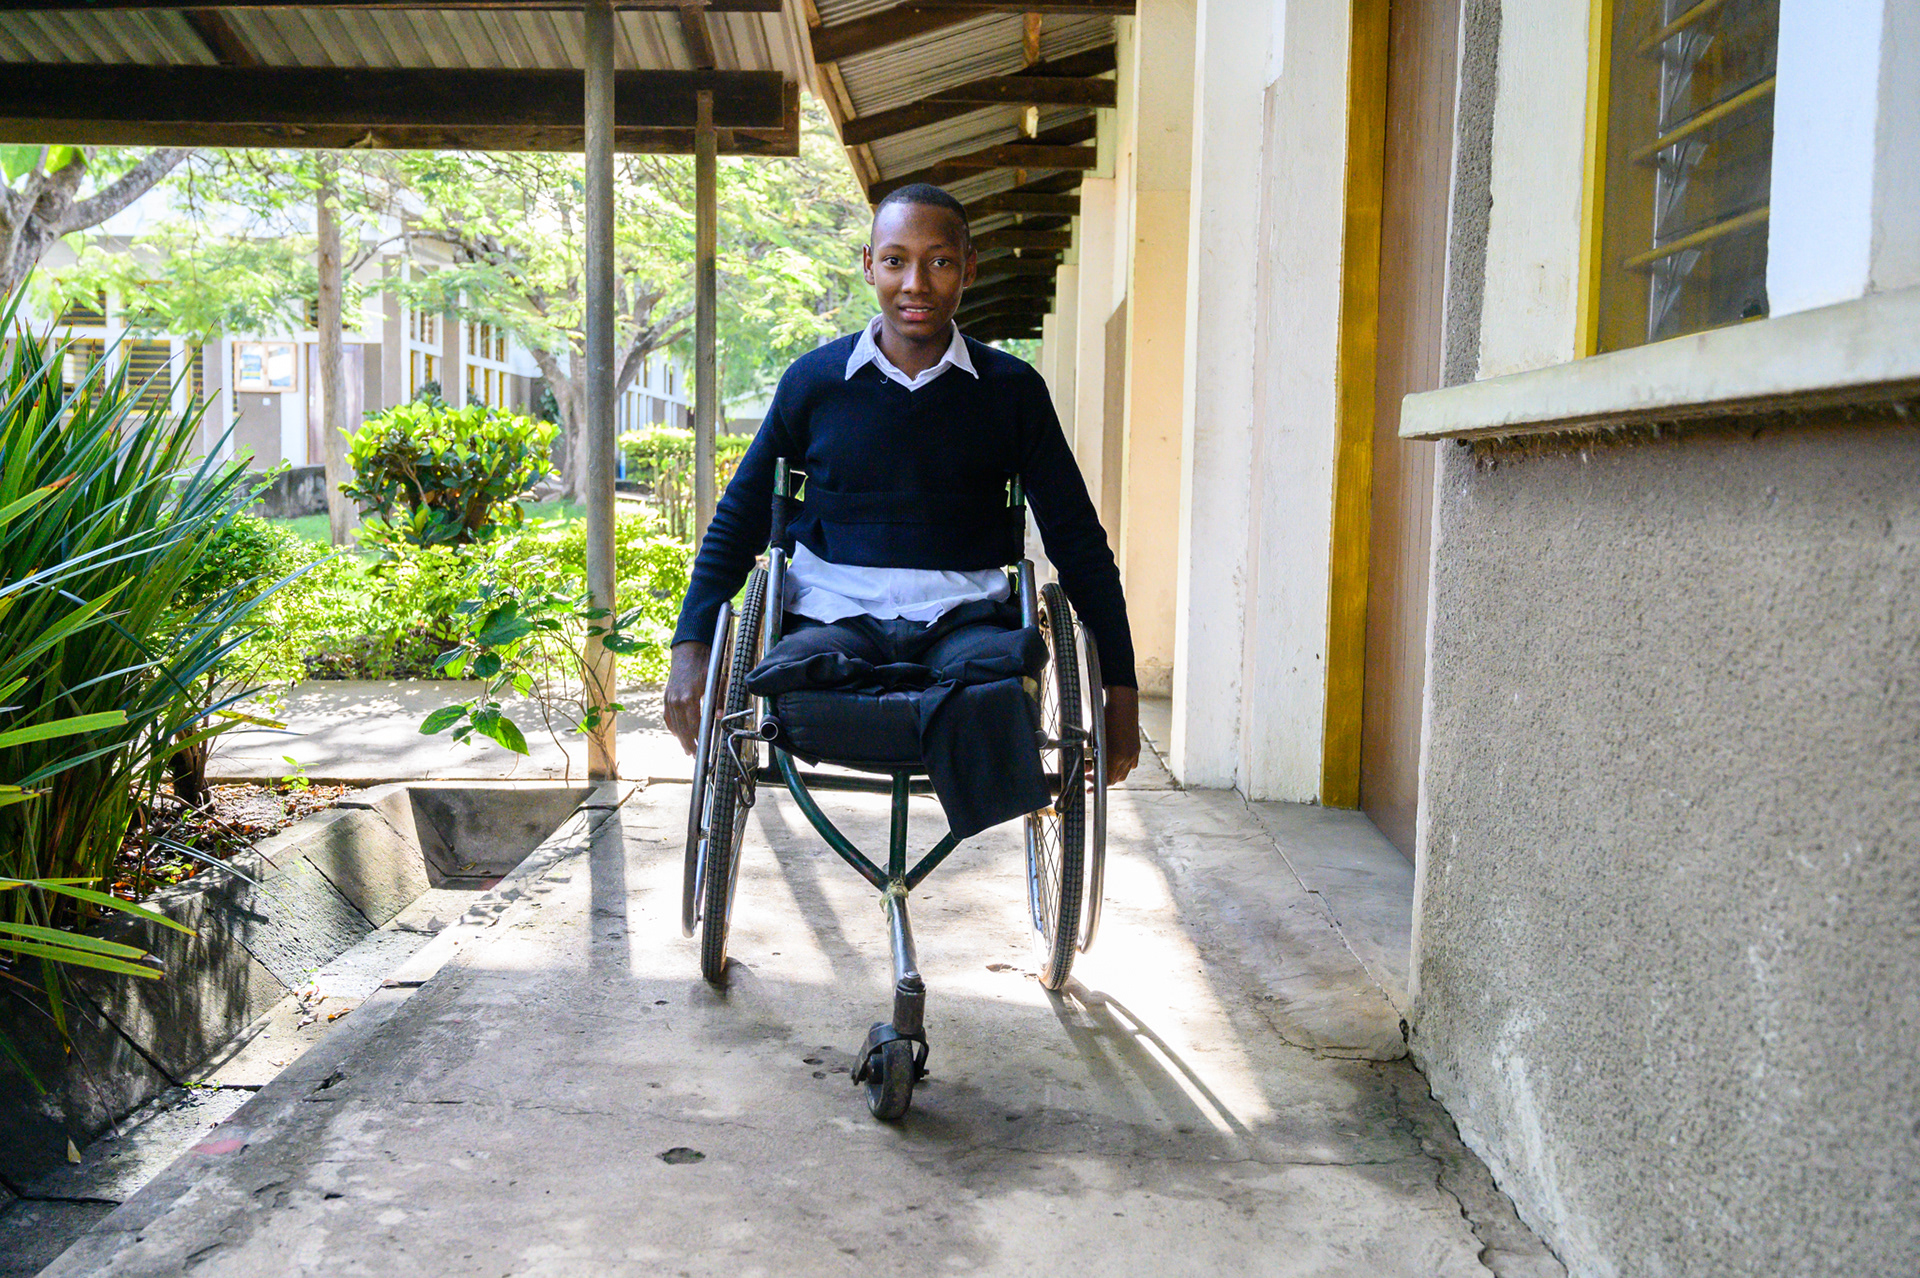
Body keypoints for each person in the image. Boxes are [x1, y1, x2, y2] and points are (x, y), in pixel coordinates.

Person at [664, 183, 1140, 834]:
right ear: (868, 265)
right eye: (895, 261)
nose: (915, 283)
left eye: (939, 261)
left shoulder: (1011, 393)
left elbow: (1079, 544)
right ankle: (962, 770)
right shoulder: (815, 383)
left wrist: (1119, 688)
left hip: (964, 621)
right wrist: (691, 645)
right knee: (787, 684)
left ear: (968, 269)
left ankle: (960, 806)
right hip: (833, 616)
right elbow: (738, 520)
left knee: (1002, 692)